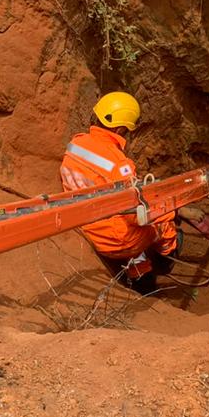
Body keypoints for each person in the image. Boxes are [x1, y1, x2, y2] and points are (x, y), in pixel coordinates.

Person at [60, 91, 179, 293]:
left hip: (87, 225)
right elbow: (136, 216)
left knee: (131, 233)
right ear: (122, 127)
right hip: (115, 241)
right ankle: (166, 259)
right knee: (163, 223)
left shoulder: (76, 143)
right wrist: (167, 210)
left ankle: (140, 271)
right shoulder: (119, 164)